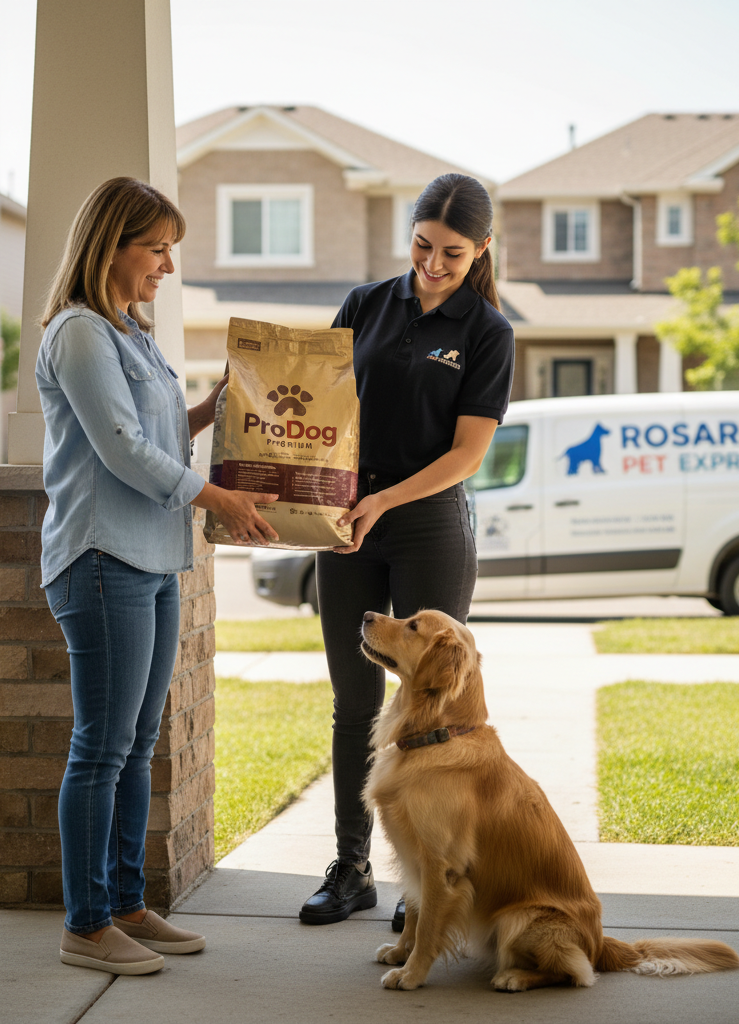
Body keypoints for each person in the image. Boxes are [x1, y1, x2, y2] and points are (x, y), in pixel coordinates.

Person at [37, 176, 278, 975]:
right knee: (101, 749)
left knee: (137, 745)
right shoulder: (79, 334)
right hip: (102, 561)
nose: (167, 266)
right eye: (157, 248)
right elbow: (121, 450)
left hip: (152, 559)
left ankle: (126, 903)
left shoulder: (129, 333)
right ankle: (85, 924)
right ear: (113, 245)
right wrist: (222, 499)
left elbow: (157, 431)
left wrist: (214, 410)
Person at [298, 173, 515, 927]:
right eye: (422, 245)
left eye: (452, 253)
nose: (432, 263)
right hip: (344, 522)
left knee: (429, 708)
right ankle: (351, 867)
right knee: (354, 700)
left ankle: (423, 879)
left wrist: (384, 500)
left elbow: (467, 454)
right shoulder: (365, 305)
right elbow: (315, 402)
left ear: (481, 249)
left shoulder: (488, 332)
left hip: (426, 523)